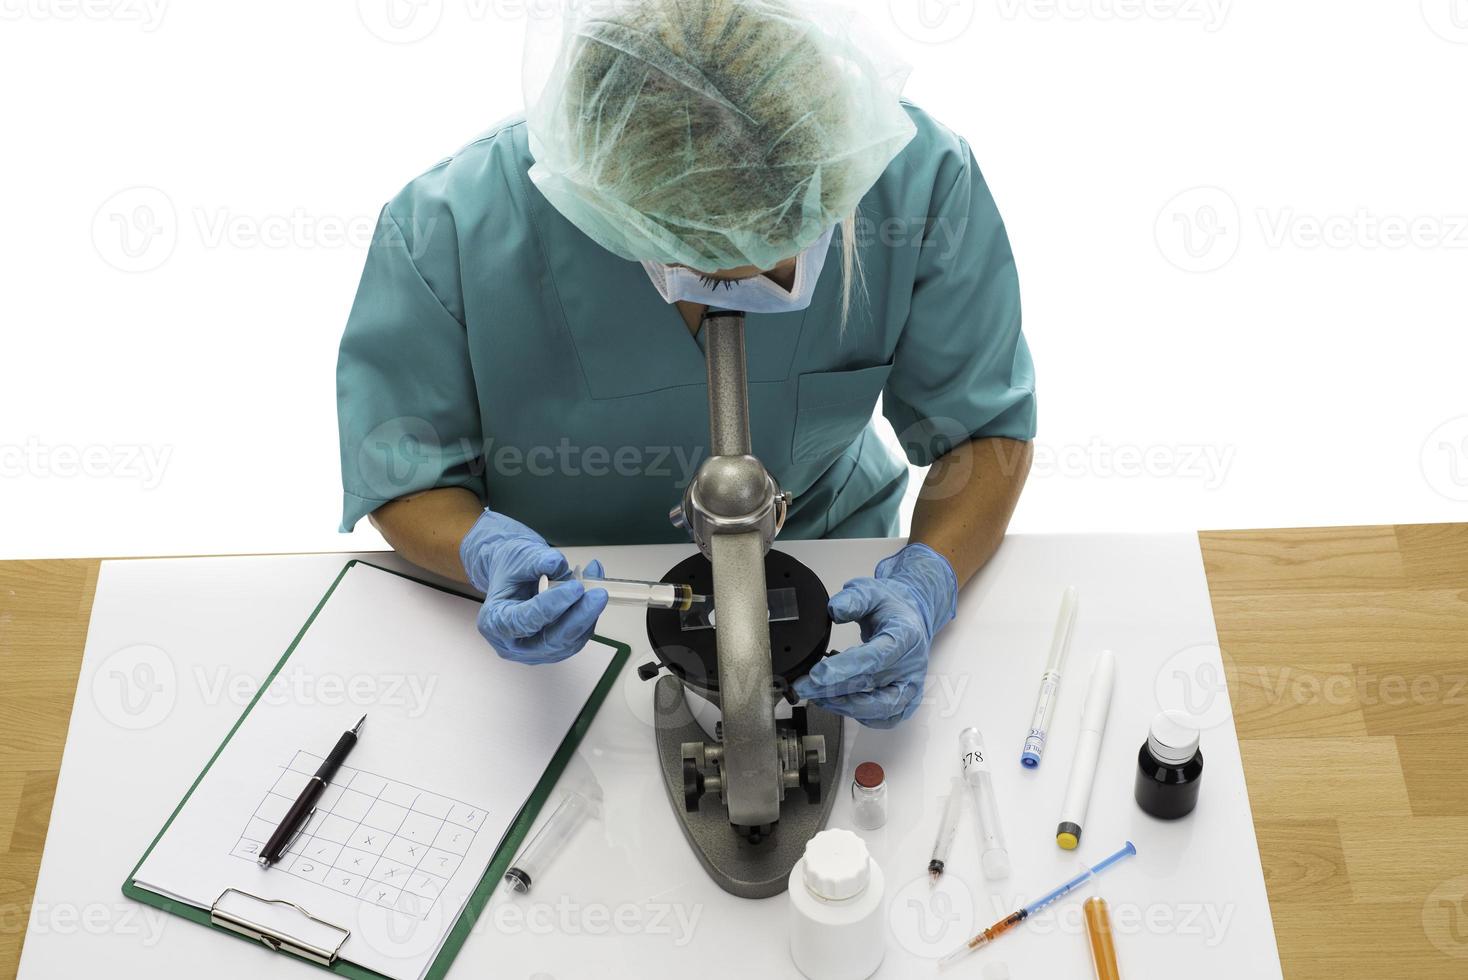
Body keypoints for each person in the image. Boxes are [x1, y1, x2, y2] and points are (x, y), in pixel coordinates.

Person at [336, 0, 1035, 728]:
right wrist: (482, 552)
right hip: (578, 591)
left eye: (783, 249)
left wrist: (928, 581)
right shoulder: (449, 226)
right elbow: (405, 471)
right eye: (705, 264)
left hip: (830, 566)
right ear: (606, 201)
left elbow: (983, 431)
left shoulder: (911, 179)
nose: (748, 290)